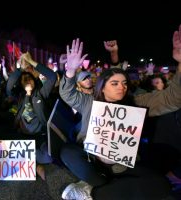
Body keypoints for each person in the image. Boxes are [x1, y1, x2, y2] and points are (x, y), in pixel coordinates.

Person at [59, 26, 181, 200]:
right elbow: (67, 94)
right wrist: (70, 71)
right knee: (68, 152)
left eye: (124, 83)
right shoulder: (90, 101)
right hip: (91, 162)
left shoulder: (137, 103)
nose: (121, 87)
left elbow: (173, 98)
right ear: (102, 86)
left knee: (161, 185)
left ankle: (91, 192)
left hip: (122, 167)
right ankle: (98, 182)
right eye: (114, 83)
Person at [6, 52, 57, 180]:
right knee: (6, 155)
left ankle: (31, 162)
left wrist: (33, 62)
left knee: (48, 157)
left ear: (34, 80)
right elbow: (8, 88)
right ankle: (35, 166)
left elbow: (52, 77)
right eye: (24, 80)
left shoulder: (40, 94)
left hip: (39, 135)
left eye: (30, 79)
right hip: (23, 136)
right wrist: (20, 69)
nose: (28, 81)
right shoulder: (19, 96)